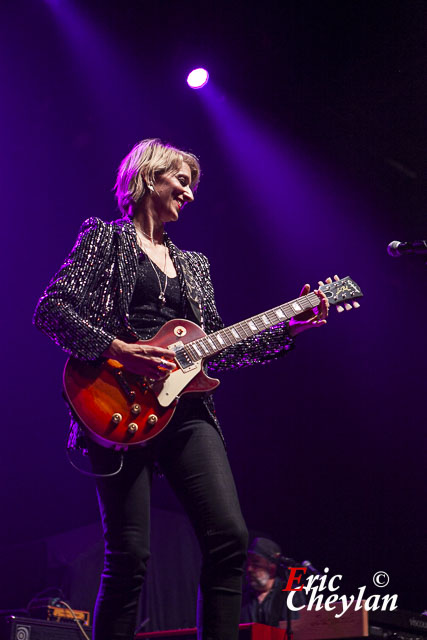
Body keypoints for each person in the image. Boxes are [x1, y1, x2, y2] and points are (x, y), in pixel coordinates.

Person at [33, 138, 329, 640]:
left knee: (229, 538)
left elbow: (221, 349)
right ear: (150, 177)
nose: (190, 195)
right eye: (182, 181)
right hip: (115, 406)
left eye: (193, 186)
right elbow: (51, 311)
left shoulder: (196, 266)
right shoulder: (104, 240)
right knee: (129, 556)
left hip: (189, 412)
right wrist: (119, 349)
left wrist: (288, 328)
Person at [241, 537, 305, 627]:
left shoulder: (291, 593)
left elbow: (297, 630)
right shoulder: (242, 596)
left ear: (271, 568)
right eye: (248, 564)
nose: (249, 569)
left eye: (255, 564)